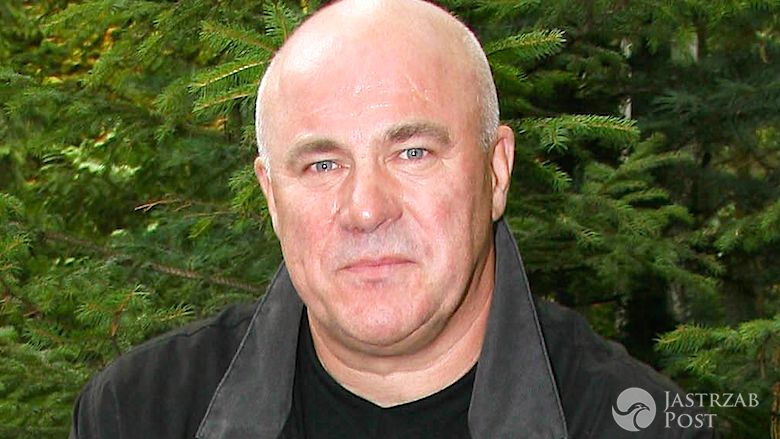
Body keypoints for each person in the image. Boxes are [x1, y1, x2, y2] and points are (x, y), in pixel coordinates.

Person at [70, 0, 717, 438]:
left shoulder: (634, 422)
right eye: (322, 164)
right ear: (272, 196)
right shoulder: (140, 413)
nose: (365, 208)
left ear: (496, 172)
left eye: (413, 153)